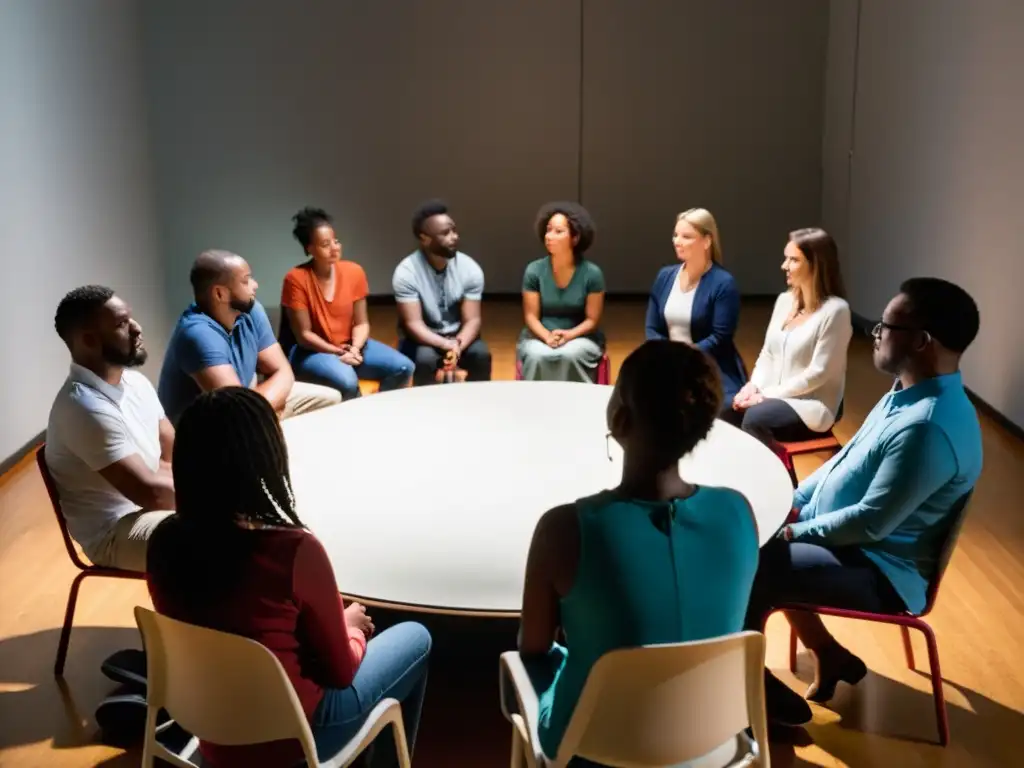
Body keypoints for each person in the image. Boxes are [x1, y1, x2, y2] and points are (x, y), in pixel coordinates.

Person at [146, 387, 432, 768]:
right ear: (264, 461)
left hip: (207, 727)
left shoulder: (163, 542)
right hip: (295, 739)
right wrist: (353, 630)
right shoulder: (293, 551)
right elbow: (341, 671)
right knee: (417, 637)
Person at [745, 278, 983, 727]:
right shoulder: (906, 391)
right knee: (762, 542)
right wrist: (791, 502)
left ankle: (745, 688)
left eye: (885, 326)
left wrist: (793, 529)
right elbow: (843, 465)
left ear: (920, 342)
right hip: (857, 545)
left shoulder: (927, 425)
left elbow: (871, 523)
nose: (874, 333)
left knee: (752, 561)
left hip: (881, 569)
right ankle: (829, 654)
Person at [517, 340, 761, 766]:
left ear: (619, 417)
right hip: (714, 741)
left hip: (595, 749)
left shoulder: (564, 529)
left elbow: (533, 646)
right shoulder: (739, 512)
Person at [45, 286, 175, 572]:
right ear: (88, 340)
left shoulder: (135, 382)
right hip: (115, 533)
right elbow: (150, 493)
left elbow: (172, 448)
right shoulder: (83, 407)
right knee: (226, 537)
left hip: (153, 509)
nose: (137, 329)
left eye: (131, 318)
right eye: (121, 323)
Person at [158, 250, 340, 424]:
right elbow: (236, 410)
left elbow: (283, 371)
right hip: (208, 431)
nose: (255, 285)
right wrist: (263, 409)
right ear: (219, 293)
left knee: (331, 399)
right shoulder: (198, 333)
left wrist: (262, 408)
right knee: (257, 427)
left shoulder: (251, 310)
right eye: (245, 281)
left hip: (248, 404)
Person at [725, 228, 852, 446]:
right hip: (771, 394)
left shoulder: (836, 311)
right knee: (725, 411)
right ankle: (729, 478)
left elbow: (818, 373)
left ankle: (771, 479)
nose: (784, 266)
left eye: (793, 260)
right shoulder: (785, 301)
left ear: (816, 265)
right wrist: (752, 387)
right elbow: (767, 354)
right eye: (786, 259)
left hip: (810, 405)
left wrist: (765, 396)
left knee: (755, 418)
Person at [281, 207, 414, 399]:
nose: (335, 247)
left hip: (350, 347)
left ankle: (380, 411)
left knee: (404, 367)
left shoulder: (354, 272)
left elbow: (361, 322)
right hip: (313, 351)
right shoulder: (296, 279)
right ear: (310, 248)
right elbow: (304, 336)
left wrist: (354, 348)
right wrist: (336, 351)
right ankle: (355, 420)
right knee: (348, 382)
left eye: (336, 241)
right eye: (325, 244)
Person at [645, 208, 747, 409]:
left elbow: (720, 337)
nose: (677, 241)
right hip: (667, 362)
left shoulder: (723, 283)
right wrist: (667, 356)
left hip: (708, 365)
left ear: (707, 241)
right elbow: (652, 328)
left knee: (713, 409)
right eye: (675, 235)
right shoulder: (664, 276)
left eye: (686, 236)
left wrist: (683, 357)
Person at [392, 200, 491, 385]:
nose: (454, 237)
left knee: (481, 355)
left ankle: (478, 404)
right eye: (445, 233)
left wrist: (457, 344)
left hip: (458, 337)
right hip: (423, 339)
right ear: (424, 238)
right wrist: (444, 344)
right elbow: (413, 324)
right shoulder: (406, 272)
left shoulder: (470, 268)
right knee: (425, 360)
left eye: (454, 230)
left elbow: (473, 320)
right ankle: (426, 409)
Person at [517, 202, 606, 382]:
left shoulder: (592, 273)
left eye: (558, 231)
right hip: (540, 336)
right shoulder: (534, 270)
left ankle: (576, 406)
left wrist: (569, 335)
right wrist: (547, 336)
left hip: (580, 337)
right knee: (537, 355)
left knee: (570, 354)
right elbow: (531, 317)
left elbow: (592, 320)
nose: (549, 236)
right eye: (548, 230)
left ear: (575, 238)